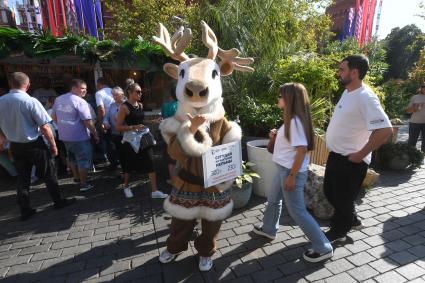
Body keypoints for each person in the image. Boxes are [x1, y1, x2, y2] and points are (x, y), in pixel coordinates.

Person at [252, 83, 333, 262]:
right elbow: (293, 146)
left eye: (281, 96)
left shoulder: (295, 122)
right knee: (273, 198)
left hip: (290, 172)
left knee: (297, 211)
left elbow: (302, 150)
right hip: (284, 169)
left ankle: (323, 247)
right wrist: (276, 136)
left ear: (289, 99)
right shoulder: (293, 120)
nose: (278, 99)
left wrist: (292, 176)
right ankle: (268, 229)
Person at [324, 54, 392, 242]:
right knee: (330, 193)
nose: (338, 73)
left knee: (342, 200)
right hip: (337, 155)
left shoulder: (366, 97)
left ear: (354, 73)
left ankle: (338, 232)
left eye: (342, 69)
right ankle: (351, 219)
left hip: (351, 161)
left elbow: (385, 130)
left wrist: (360, 154)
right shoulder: (349, 91)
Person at [0, 72, 75, 221]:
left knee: (22, 178)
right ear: (27, 85)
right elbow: (45, 126)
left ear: (10, 84)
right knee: (49, 173)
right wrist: (53, 145)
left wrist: (2, 139)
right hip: (34, 144)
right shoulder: (30, 101)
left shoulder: (1, 101)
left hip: (15, 145)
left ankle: (25, 209)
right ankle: (58, 201)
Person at [115, 83, 167, 199]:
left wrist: (154, 121)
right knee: (129, 165)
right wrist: (133, 127)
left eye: (141, 92)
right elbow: (118, 127)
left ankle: (154, 191)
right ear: (130, 92)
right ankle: (126, 186)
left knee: (150, 163)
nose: (140, 94)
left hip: (143, 139)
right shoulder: (124, 107)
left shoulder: (140, 105)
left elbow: (141, 123)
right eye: (138, 92)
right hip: (131, 141)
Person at [51, 79, 99, 192]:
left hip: (65, 136)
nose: (85, 91)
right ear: (74, 88)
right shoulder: (80, 101)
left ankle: (76, 178)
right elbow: (88, 121)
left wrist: (63, 126)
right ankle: (84, 184)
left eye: (86, 89)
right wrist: (95, 134)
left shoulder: (58, 99)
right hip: (79, 136)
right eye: (82, 88)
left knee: (71, 157)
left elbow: (53, 117)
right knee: (83, 160)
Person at [103, 86, 126, 170]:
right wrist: (106, 123)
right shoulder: (111, 105)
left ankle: (126, 169)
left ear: (122, 94)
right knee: (117, 151)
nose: (114, 97)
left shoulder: (127, 104)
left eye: (117, 95)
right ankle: (119, 168)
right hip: (115, 133)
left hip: (126, 133)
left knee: (125, 153)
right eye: (113, 95)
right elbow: (106, 118)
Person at [160, 88, 178, 184]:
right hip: (181, 134)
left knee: (171, 159)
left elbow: (163, 118)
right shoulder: (183, 105)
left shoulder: (165, 106)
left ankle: (173, 180)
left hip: (168, 135)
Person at [406, 83, 425, 152]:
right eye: (423, 86)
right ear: (421, 88)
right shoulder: (415, 97)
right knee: (411, 142)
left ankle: (422, 159)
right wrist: (415, 107)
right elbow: (408, 111)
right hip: (415, 123)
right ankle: (410, 158)